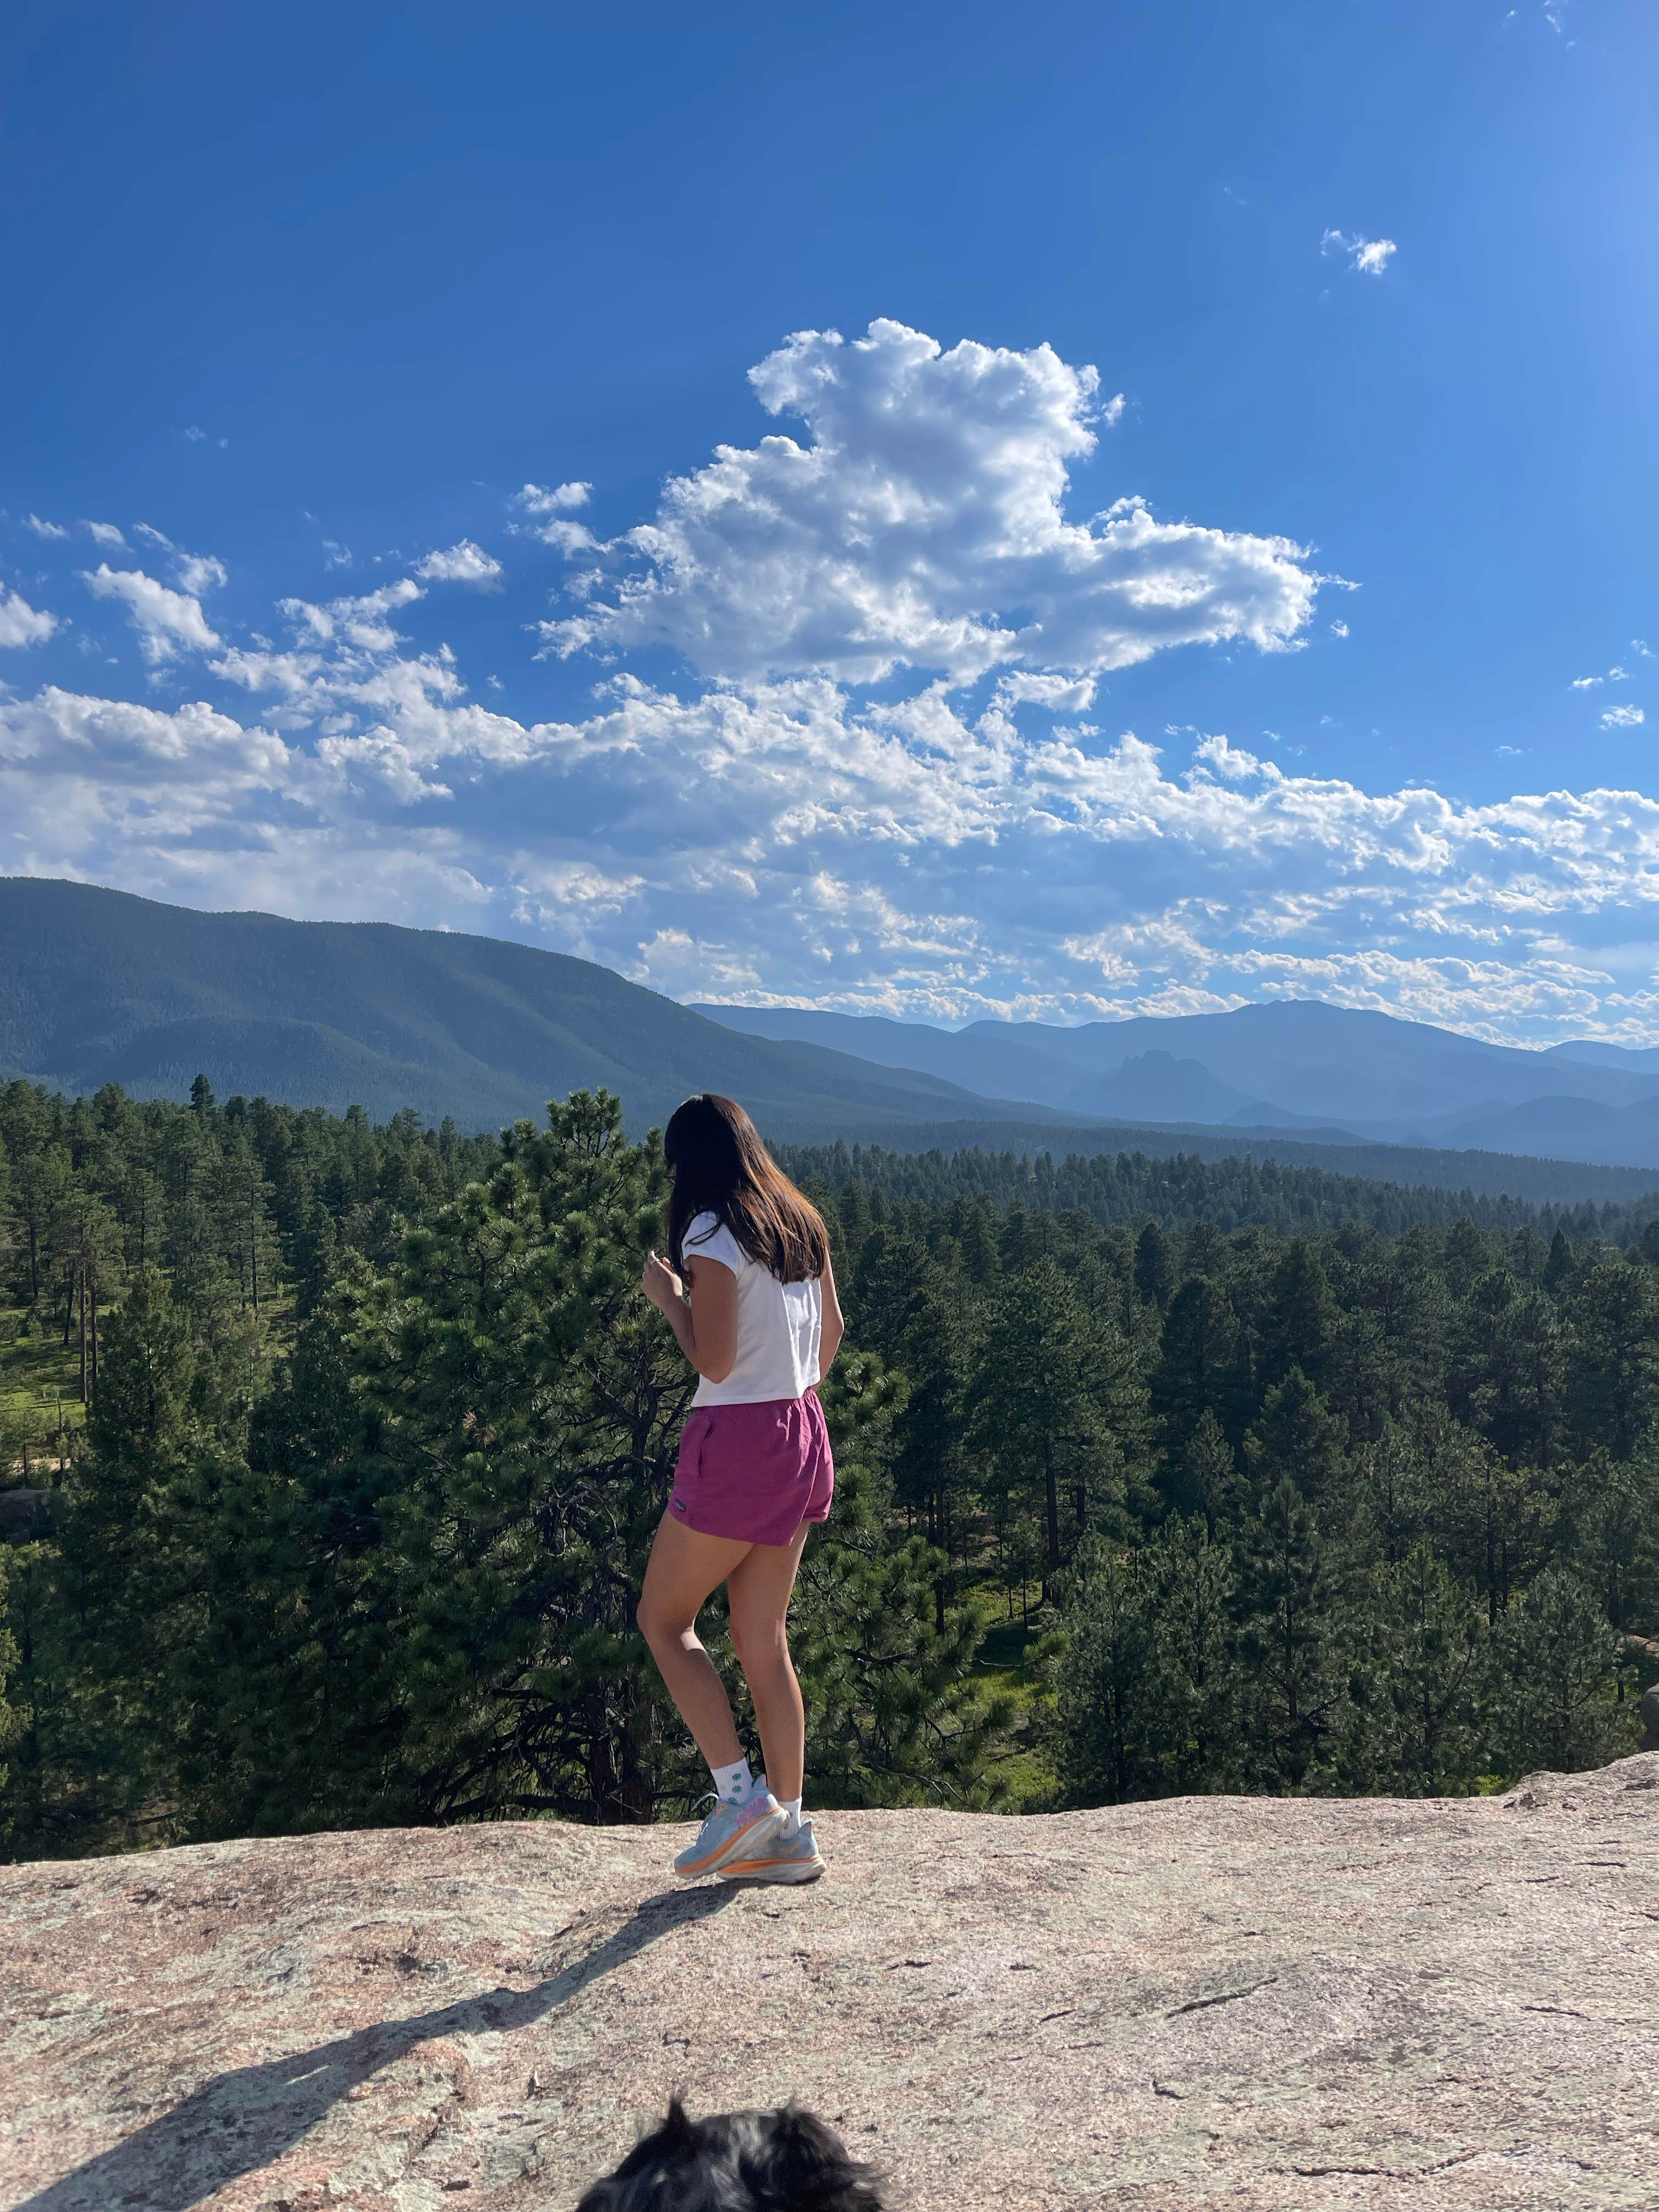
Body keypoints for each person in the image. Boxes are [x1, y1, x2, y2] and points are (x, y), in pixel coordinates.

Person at [636, 1092, 843, 1884]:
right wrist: (787, 1382)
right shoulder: (800, 1222)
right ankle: (789, 1834)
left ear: (687, 1163)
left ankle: (737, 1799)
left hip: (740, 1443)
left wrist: (673, 1302)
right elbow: (831, 1341)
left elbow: (714, 1361)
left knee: (665, 1619)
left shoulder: (712, 1232)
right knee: (765, 1639)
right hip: (802, 1429)